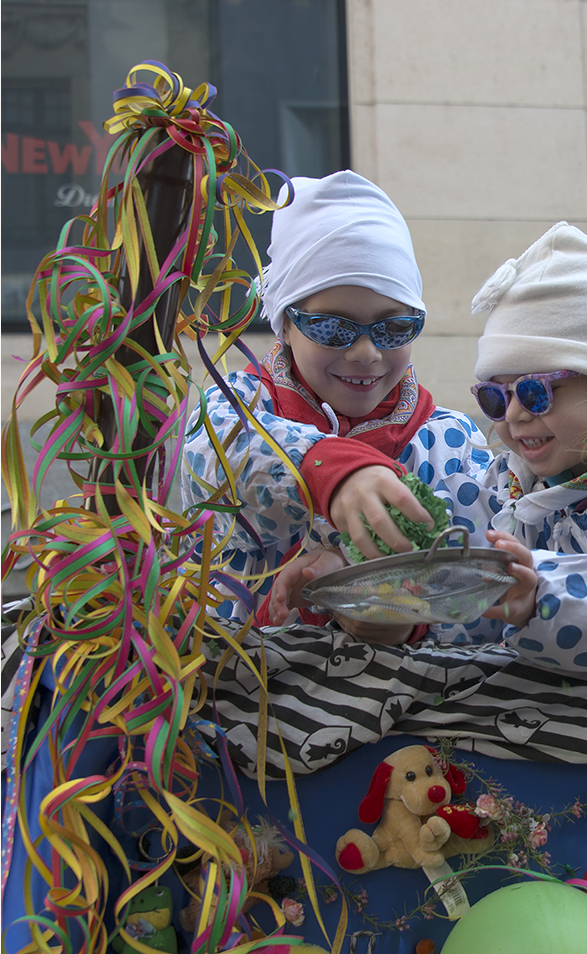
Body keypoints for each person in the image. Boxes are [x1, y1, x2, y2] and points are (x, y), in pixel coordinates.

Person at [271, 222, 587, 680]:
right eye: (495, 397)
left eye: (537, 392)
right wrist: (356, 575)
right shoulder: (512, 488)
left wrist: (542, 592)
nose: (514, 415)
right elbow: (463, 596)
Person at [181, 171, 494, 640]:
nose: (366, 352)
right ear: (284, 324)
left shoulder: (449, 444)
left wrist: (397, 619)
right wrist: (333, 469)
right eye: (333, 328)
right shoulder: (235, 408)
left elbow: (476, 600)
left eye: (394, 328)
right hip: (239, 689)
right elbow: (217, 464)